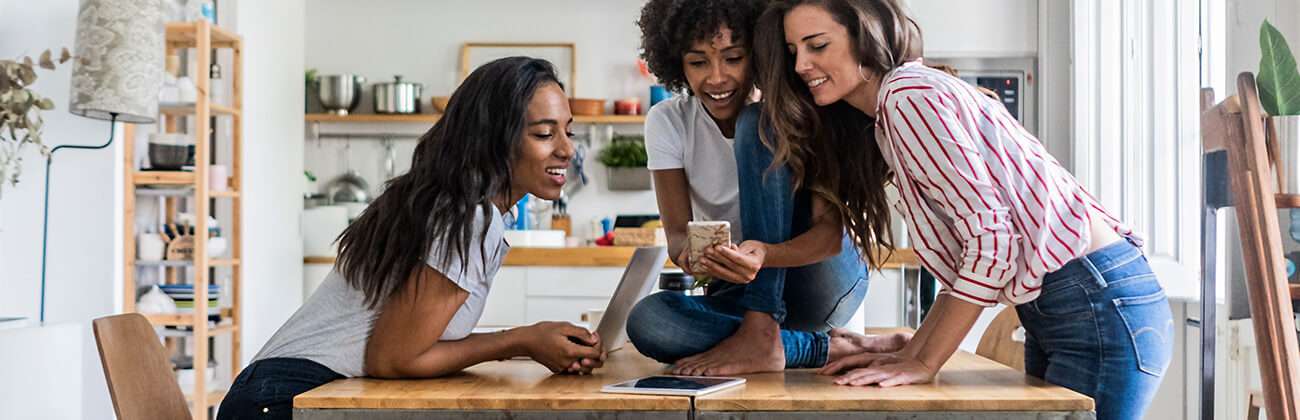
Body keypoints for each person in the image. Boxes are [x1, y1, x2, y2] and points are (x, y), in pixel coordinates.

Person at [753, 1, 1173, 418]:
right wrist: (913, 350)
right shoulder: (895, 106)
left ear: (867, 36)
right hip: (1079, 301)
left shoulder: (906, 97)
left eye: (818, 45)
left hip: (1093, 301)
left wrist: (923, 360)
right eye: (794, 53)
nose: (803, 65)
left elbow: (992, 241)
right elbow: (976, 256)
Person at [217, 57, 604, 419]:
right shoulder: (469, 216)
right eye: (544, 133)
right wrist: (520, 341)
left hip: (281, 393)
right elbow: (396, 357)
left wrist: (529, 342)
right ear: (493, 138)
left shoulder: (459, 206)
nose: (567, 149)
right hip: (287, 401)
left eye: (567, 131)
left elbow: (408, 347)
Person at [625, 0, 906, 377]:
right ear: (678, 65)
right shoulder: (668, 122)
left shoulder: (792, 113)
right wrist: (696, 258)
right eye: (698, 63)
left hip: (819, 277)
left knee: (757, 121)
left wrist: (765, 255)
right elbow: (677, 236)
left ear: (757, 54)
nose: (717, 78)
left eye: (733, 58)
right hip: (736, 288)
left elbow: (828, 239)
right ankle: (825, 347)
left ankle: (762, 329)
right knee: (650, 322)